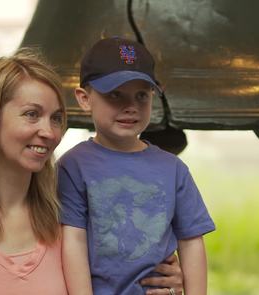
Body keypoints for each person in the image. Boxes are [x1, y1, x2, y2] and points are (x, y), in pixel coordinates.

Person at [0, 48, 185, 294]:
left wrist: (170, 282)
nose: (50, 133)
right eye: (32, 114)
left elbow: (128, 268)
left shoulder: (72, 210)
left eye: (56, 118)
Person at [58, 37, 216, 295]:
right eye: (115, 95)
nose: (130, 107)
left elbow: (192, 242)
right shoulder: (73, 166)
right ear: (84, 98)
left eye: (141, 95)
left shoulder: (173, 169)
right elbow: (72, 242)